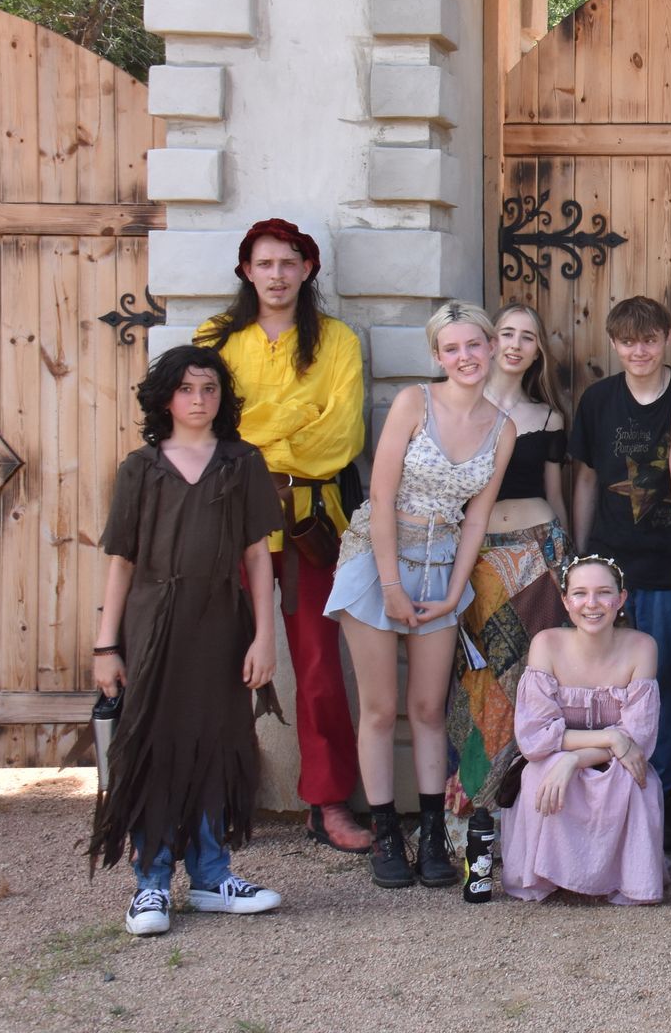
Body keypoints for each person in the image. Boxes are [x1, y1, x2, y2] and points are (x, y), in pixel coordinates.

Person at [89, 346, 286, 936]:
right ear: (165, 398)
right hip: (151, 624)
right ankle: (150, 885)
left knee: (216, 740)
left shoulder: (242, 463)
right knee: (152, 743)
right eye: (187, 389)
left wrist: (264, 637)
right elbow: (121, 562)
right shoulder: (140, 468)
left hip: (221, 624)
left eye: (210, 390)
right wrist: (106, 645)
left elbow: (258, 558)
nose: (199, 401)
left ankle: (209, 875)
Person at [323, 302, 516, 889]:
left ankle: (433, 834)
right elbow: (381, 497)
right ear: (437, 356)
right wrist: (387, 585)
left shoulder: (503, 428)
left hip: (440, 567)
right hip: (377, 558)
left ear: (490, 348)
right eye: (452, 349)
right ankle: (386, 833)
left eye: (474, 345)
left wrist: (454, 593)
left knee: (429, 709)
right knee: (381, 708)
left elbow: (477, 520)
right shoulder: (413, 403)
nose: (465, 357)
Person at [196, 218, 368, 854]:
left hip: (310, 524)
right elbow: (204, 427)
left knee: (321, 666)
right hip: (228, 520)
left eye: (288, 263)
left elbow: (340, 437)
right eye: (264, 264)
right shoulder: (215, 341)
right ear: (246, 270)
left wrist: (257, 436)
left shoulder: (338, 342)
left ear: (307, 270)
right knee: (217, 661)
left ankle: (327, 802)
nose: (276, 275)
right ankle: (213, 798)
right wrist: (289, 424)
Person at [569, 296, 671, 847]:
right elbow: (583, 480)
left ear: (666, 337)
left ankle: (660, 795)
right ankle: (602, 790)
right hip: (611, 568)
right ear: (614, 344)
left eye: (649, 339)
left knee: (659, 687)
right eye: (628, 341)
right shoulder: (599, 400)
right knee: (602, 689)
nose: (639, 350)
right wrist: (582, 557)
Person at [446, 303, 572, 821]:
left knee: (528, 682)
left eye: (529, 336)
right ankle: (472, 807)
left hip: (537, 556)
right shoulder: (455, 411)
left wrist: (572, 565)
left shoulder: (548, 417)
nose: (517, 344)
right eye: (507, 333)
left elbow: (556, 495)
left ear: (539, 351)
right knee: (476, 682)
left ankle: (520, 810)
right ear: (490, 342)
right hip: (475, 562)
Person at [502, 556, 664, 905]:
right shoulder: (546, 644)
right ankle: (545, 873)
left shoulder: (642, 646)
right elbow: (534, 734)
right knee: (539, 771)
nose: (591, 604)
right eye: (580, 594)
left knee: (631, 776)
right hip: (554, 755)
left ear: (620, 600)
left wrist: (573, 761)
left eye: (603, 593)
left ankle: (624, 876)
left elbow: (638, 736)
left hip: (611, 761)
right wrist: (609, 737)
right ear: (565, 601)